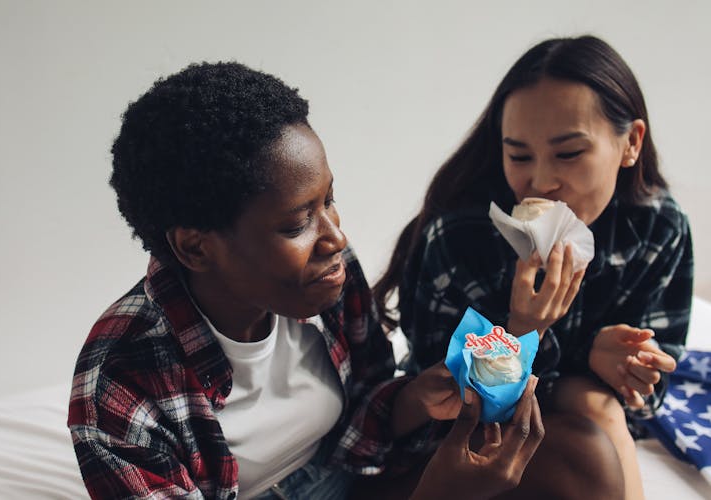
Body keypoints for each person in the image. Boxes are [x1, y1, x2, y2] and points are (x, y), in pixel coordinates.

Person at [67, 61, 544, 500]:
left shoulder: (326, 276)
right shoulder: (119, 387)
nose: (335, 237)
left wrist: (415, 398)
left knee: (562, 460)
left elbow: (363, 409)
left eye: (328, 200)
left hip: (344, 476)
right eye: (297, 224)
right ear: (195, 247)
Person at [375, 35, 692, 500]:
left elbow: (650, 396)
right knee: (593, 406)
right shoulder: (461, 238)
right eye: (519, 156)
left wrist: (626, 367)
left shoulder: (656, 230)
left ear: (631, 143)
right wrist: (525, 331)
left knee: (600, 406)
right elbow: (442, 401)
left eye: (569, 153)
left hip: (582, 419)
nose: (541, 182)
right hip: (463, 435)